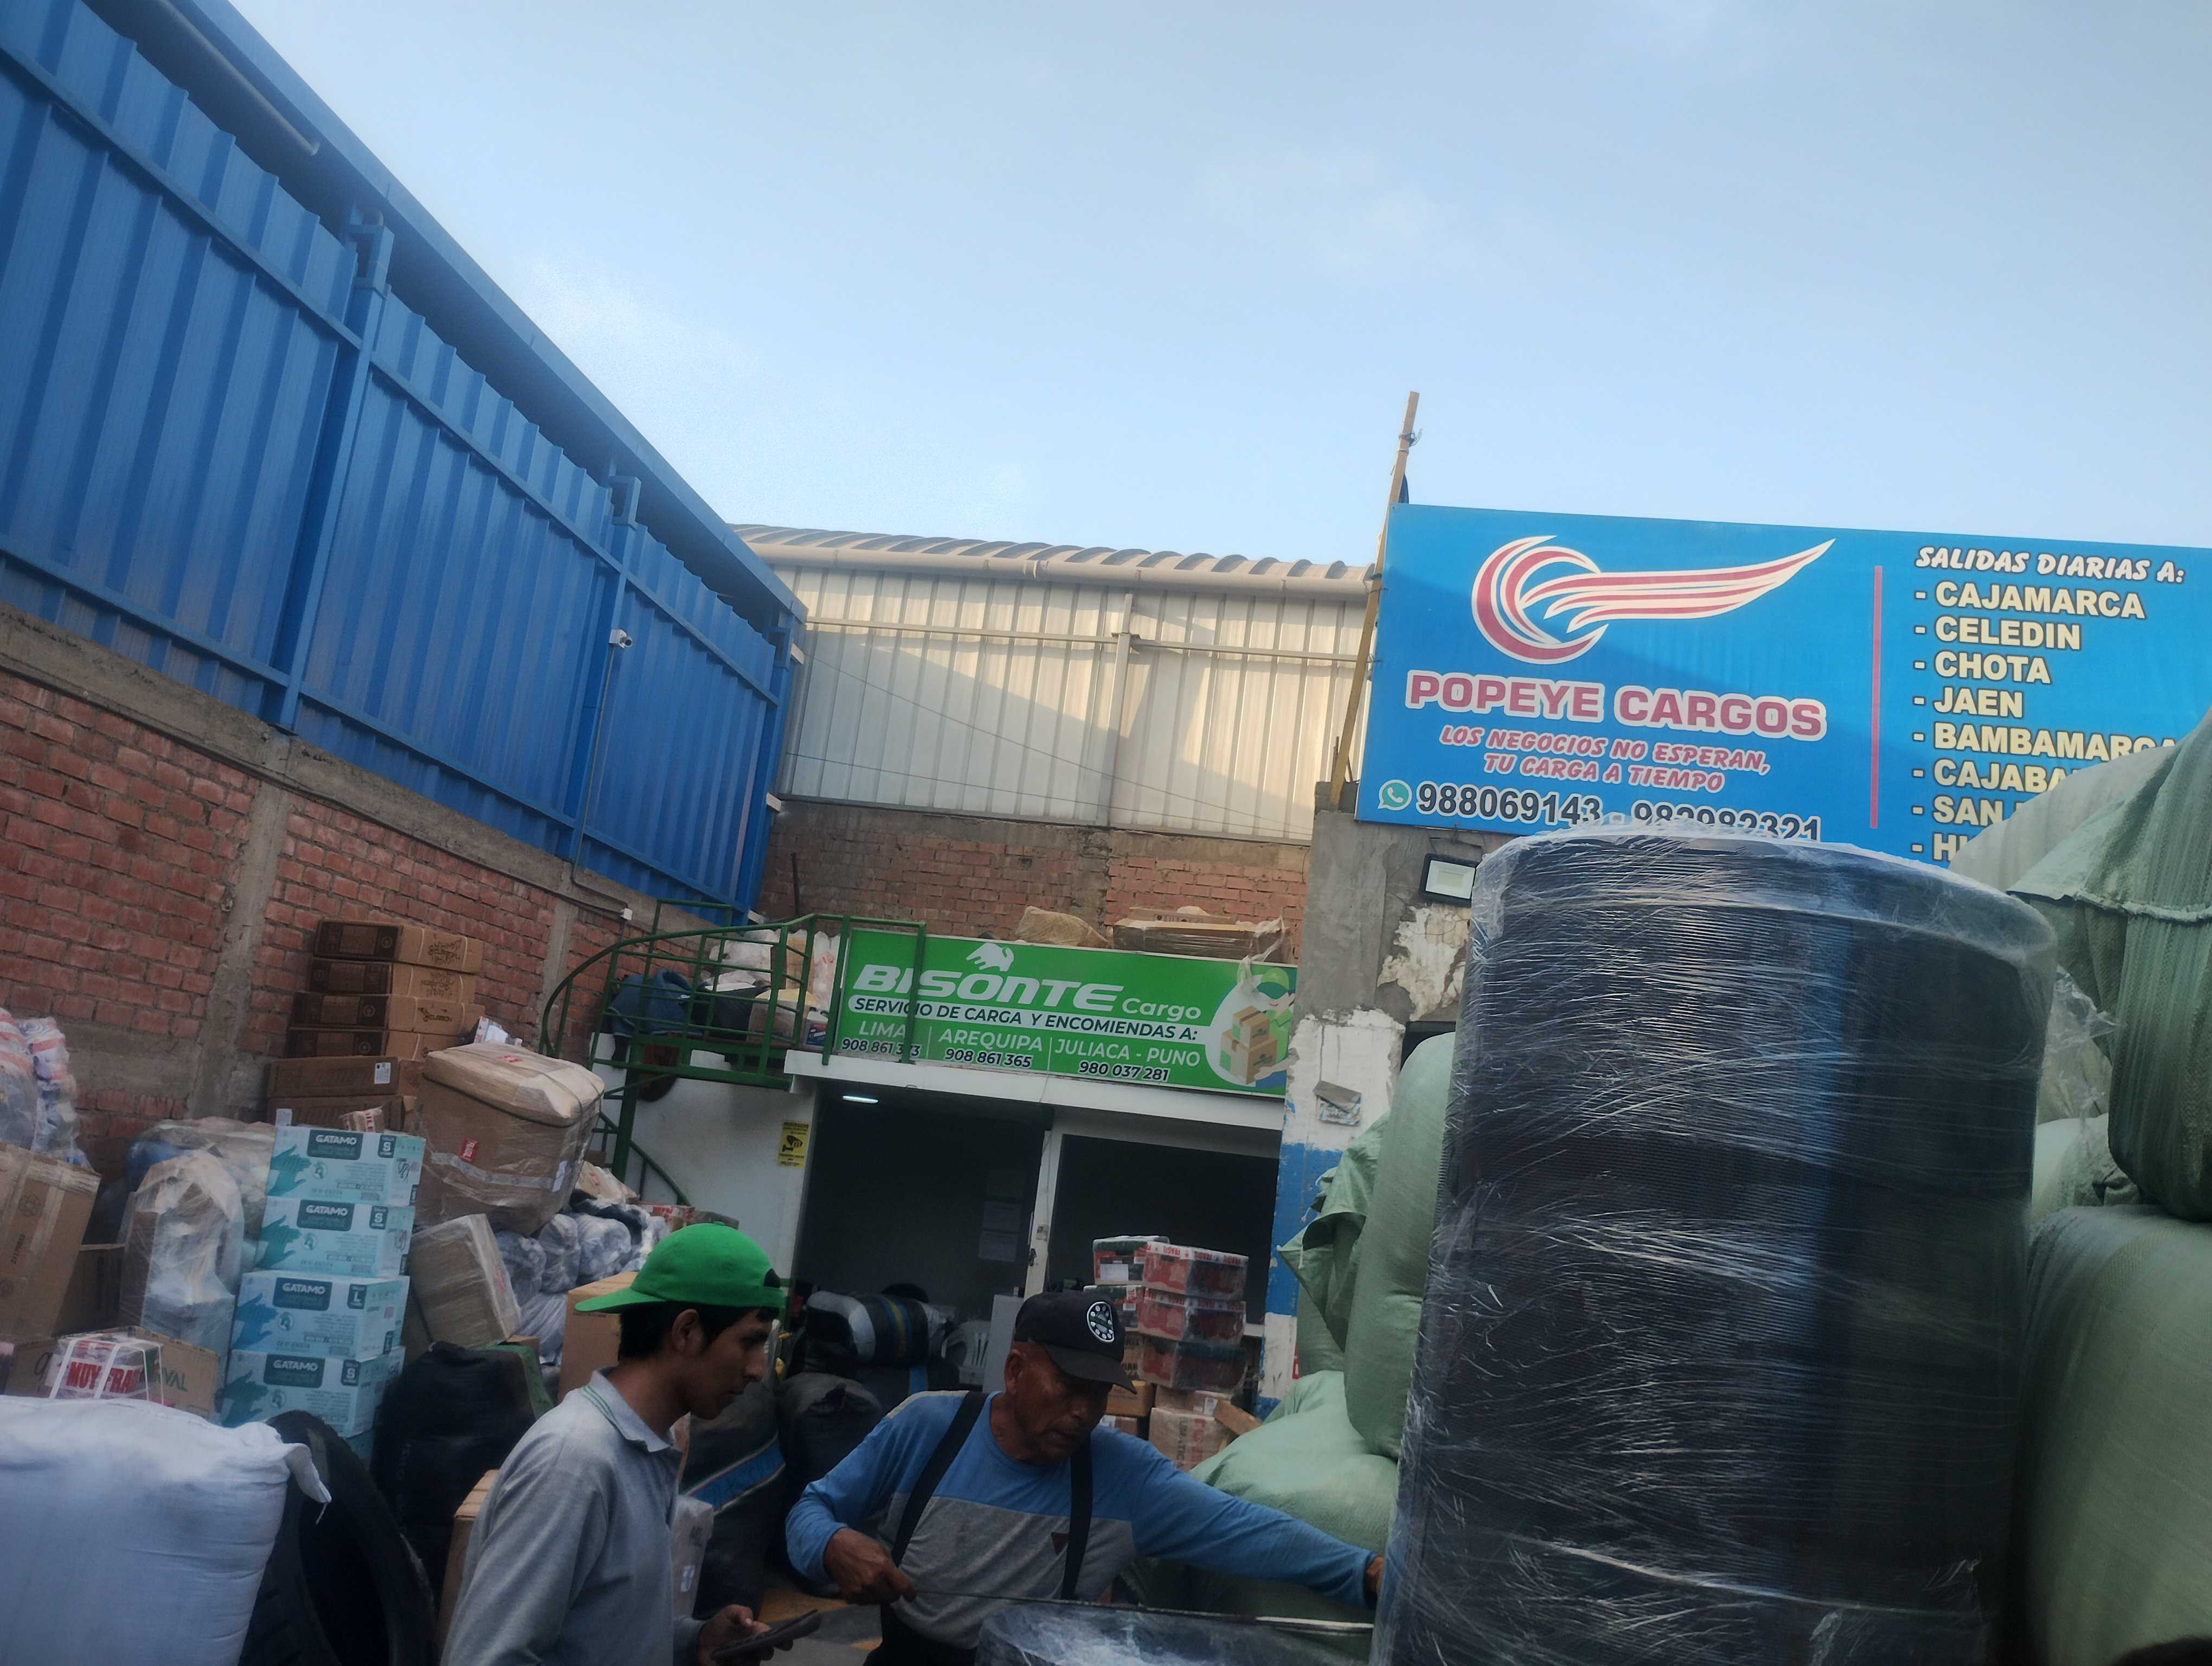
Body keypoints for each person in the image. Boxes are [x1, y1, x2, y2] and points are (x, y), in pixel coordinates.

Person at [786, 1291, 1385, 1666]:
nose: (1083, 1412)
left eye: (1098, 1393)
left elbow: (1246, 1531)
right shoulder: (924, 1428)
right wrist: (833, 1544)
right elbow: (808, 1512)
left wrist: (1363, 1573)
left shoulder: (1124, 1479)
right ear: (1015, 1370)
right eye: (1069, 1387)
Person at [445, 1223, 794, 1666]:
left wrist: (694, 1641)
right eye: (750, 1342)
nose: (757, 1369)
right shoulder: (575, 1461)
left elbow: (600, 1631)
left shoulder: (647, 1448)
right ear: (686, 1331)